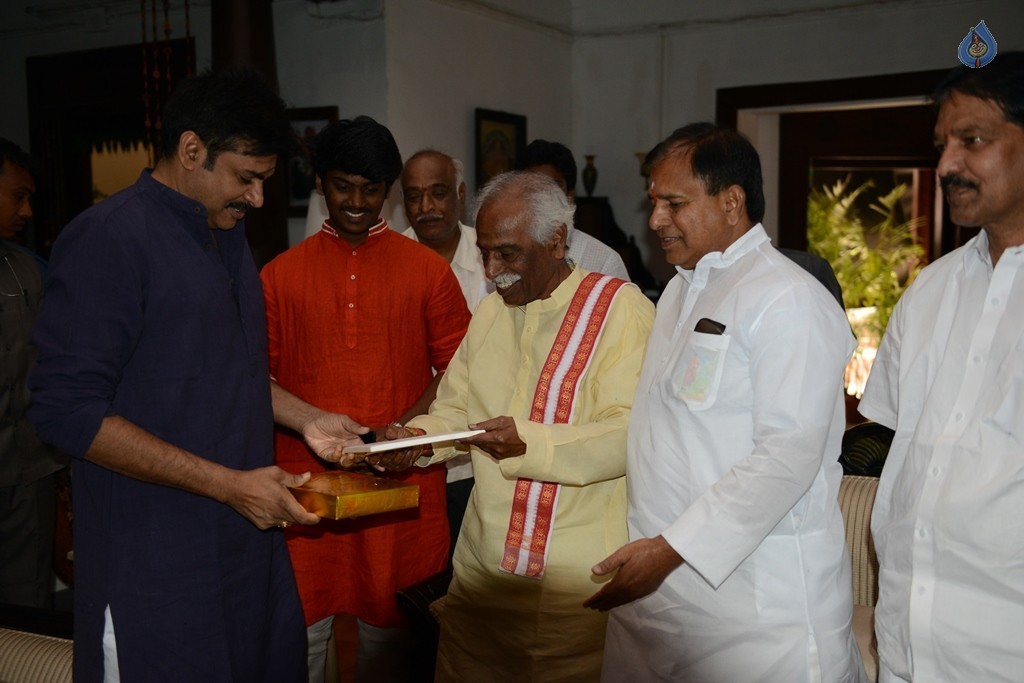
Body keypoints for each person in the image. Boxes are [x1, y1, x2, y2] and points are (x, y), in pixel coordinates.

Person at [28, 69, 368, 682]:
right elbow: (66, 411)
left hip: (246, 553)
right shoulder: (108, 238)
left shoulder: (225, 232)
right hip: (155, 562)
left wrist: (309, 420)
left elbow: (229, 374)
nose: (258, 201)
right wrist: (227, 485)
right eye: (247, 179)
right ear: (191, 151)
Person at [341, 171, 655, 682]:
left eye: (507, 254)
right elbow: (455, 409)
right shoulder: (488, 313)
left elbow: (629, 436)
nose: (491, 270)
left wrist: (527, 443)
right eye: (486, 252)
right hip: (482, 575)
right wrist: (417, 441)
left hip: (575, 589)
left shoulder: (621, 310)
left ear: (557, 240)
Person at [586, 123, 865, 682]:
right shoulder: (679, 292)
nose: (656, 220)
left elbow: (786, 457)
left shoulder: (788, 298)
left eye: (674, 203)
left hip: (757, 611)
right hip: (665, 599)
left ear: (731, 201)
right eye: (653, 203)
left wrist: (670, 549)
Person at [260, 117, 471, 683]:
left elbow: (461, 367)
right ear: (321, 184)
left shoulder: (428, 272)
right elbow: (258, 379)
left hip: (398, 478)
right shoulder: (279, 276)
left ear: (389, 193)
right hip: (306, 485)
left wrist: (398, 429)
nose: (356, 201)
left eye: (371, 188)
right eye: (342, 186)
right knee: (300, 632)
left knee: (391, 642)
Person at [858, 52, 1024, 683]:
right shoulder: (928, 291)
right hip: (909, 640)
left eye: (972, 141)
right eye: (943, 144)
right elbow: (909, 459)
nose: (947, 165)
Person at [400, 149, 493, 559]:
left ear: (460, 193)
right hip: (408, 451)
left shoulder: (492, 253)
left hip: (477, 461)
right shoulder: (389, 257)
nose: (426, 207)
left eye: (437, 193)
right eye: (414, 195)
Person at [0, 138, 67, 609]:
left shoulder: (29, 269)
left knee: (26, 601)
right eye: (17, 196)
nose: (26, 211)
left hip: (30, 469)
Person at [520, 139, 630, 281]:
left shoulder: (604, 262)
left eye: (551, 188)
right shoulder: (499, 256)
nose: (541, 198)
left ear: (569, 195)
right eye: (532, 188)